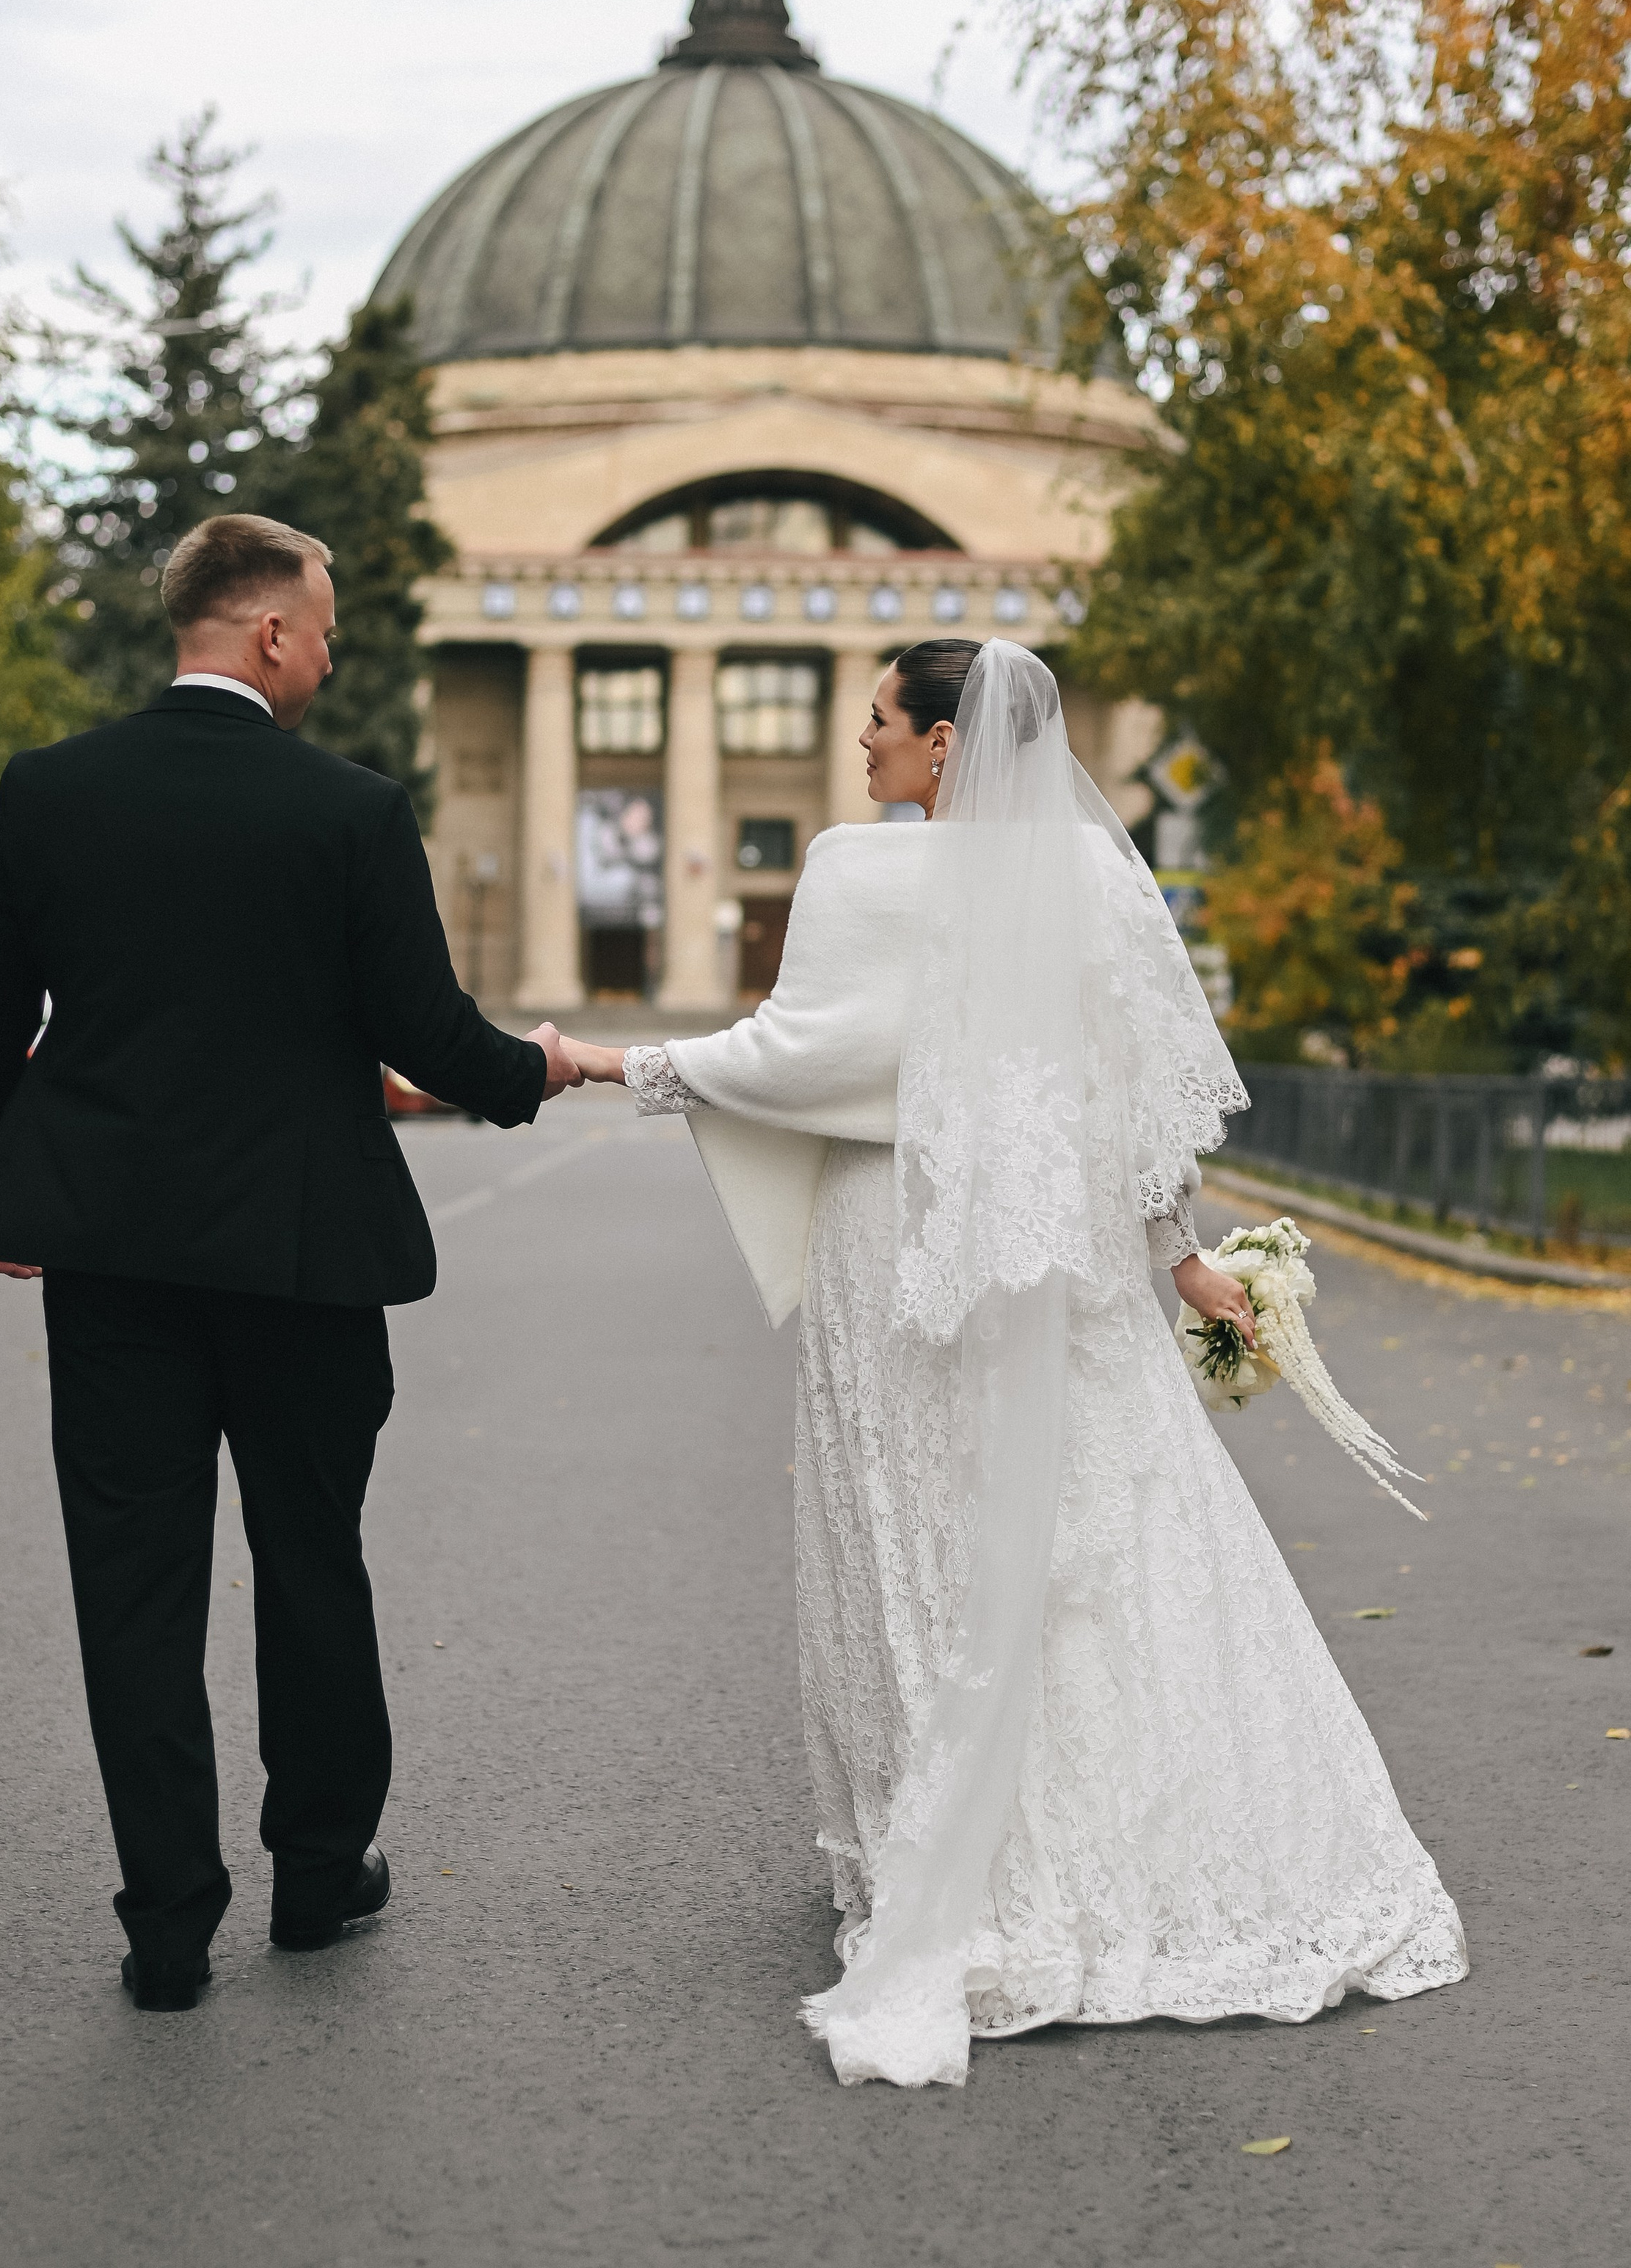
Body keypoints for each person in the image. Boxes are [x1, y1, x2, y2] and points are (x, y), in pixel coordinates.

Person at [561, 638, 1465, 2087]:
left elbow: (794, 1053)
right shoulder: (1096, 883)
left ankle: (959, 1844)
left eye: (876, 724)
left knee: (912, 1521)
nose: (861, 748)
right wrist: (1181, 1255)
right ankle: (1147, 1843)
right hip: (1060, 1255)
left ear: (938, 746)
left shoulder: (859, 871)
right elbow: (1127, 1101)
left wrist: (610, 1063)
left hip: (898, 1245)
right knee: (1098, 1533)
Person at [0, 514, 579, 2012]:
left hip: (111, 1264)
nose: (335, 653)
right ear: (270, 634)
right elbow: (425, 1033)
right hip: (303, 1263)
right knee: (310, 1561)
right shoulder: (346, 811)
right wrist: (537, 1066)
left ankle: (166, 1927)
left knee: (133, 1588)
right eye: (329, 628)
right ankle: (314, 1872)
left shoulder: (51, 792)